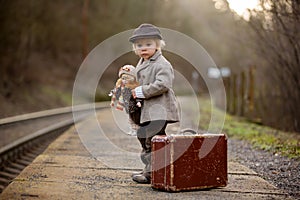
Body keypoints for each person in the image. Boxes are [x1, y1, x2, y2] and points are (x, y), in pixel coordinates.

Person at [129, 23, 180, 183]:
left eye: (148, 44)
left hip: (159, 110)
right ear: (135, 48)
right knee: (144, 136)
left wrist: (142, 91)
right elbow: (138, 80)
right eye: (139, 45)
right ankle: (155, 167)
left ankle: (151, 173)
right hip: (147, 110)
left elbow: (164, 84)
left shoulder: (161, 63)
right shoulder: (142, 62)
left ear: (157, 45)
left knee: (151, 139)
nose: (143, 48)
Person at [109, 65, 140, 136]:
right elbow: (118, 93)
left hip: (134, 106)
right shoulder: (122, 87)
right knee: (130, 119)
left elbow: (137, 96)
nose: (124, 81)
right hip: (127, 106)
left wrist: (139, 102)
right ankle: (132, 129)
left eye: (127, 79)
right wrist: (114, 93)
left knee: (135, 118)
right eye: (123, 78)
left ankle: (136, 129)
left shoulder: (134, 88)